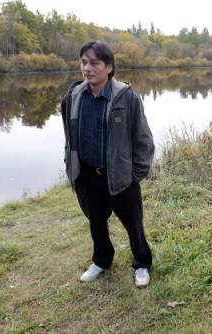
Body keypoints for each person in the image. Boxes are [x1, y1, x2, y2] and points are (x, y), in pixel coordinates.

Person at [60, 40, 155, 287]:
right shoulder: (73, 96)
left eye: (94, 63)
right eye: (83, 62)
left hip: (121, 176)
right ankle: (102, 260)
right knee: (96, 224)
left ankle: (142, 263)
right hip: (87, 176)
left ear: (109, 67)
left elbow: (143, 139)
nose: (87, 68)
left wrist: (136, 174)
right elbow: (69, 137)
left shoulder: (126, 97)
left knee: (134, 225)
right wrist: (73, 168)